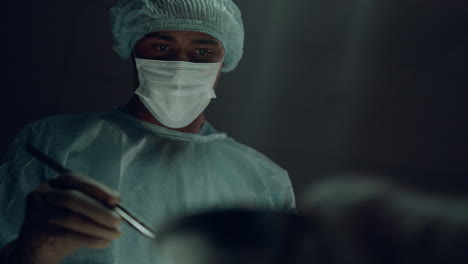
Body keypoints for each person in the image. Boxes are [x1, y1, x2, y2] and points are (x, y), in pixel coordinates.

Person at [0, 0, 296, 263]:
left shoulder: (264, 181)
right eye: (161, 47)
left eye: (203, 51)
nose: (180, 65)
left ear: (223, 62)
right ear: (132, 50)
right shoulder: (53, 142)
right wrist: (32, 252)